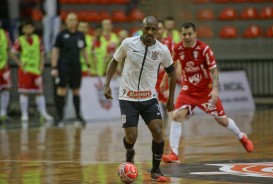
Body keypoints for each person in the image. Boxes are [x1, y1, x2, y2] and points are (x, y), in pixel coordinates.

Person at [162, 22, 254, 163]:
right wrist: (163, 82)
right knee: (176, 116)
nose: (186, 37)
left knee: (222, 121)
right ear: (181, 34)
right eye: (184, 34)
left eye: (189, 34)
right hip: (188, 90)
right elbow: (170, 66)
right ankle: (174, 153)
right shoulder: (177, 48)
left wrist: (215, 89)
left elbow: (213, 71)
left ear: (195, 34)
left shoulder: (204, 49)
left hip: (205, 91)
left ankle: (241, 136)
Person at [104, 16, 176, 182]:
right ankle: (130, 152)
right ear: (141, 28)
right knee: (131, 137)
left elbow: (171, 72)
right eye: (147, 28)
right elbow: (114, 61)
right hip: (127, 98)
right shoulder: (128, 43)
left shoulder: (162, 50)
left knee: (158, 132)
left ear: (158, 31)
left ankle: (156, 171)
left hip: (149, 99)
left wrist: (171, 99)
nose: (150, 32)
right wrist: (107, 84)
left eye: (153, 29)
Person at [10, 20, 53, 123]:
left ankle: (43, 112)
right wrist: (19, 63)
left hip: (36, 69)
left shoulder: (38, 39)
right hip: (25, 70)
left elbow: (42, 52)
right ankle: (24, 114)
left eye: (30, 27)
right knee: (24, 92)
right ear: (23, 29)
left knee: (40, 92)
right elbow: (12, 53)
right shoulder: (20, 40)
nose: (28, 29)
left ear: (33, 28)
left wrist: (42, 64)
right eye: (26, 27)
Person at [51, 13, 89, 126]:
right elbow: (55, 51)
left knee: (76, 91)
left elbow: (84, 50)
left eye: (74, 19)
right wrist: (54, 67)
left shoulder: (80, 35)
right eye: (70, 20)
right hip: (63, 67)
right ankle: (60, 118)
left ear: (77, 22)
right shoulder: (61, 35)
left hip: (76, 67)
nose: (72, 22)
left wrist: (88, 64)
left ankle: (78, 117)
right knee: (61, 91)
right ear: (66, 22)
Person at [155, 20, 174, 135]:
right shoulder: (148, 43)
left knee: (168, 107)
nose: (158, 30)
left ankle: (172, 131)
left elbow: (173, 61)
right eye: (156, 28)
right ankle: (159, 133)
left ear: (163, 30)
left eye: (160, 28)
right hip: (151, 80)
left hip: (164, 78)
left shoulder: (168, 42)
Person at [0, 26, 12, 122]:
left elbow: (8, 49)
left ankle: (3, 113)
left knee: (5, 89)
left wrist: (7, 62)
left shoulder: (5, 33)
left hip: (4, 66)